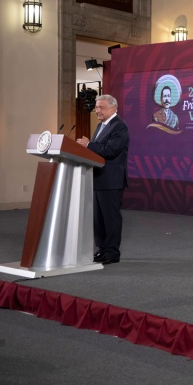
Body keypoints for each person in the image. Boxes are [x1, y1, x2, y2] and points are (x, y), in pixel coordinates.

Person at [77, 94, 130, 265]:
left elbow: (110, 151)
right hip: (98, 179)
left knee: (111, 219)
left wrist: (89, 145)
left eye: (101, 107)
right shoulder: (101, 126)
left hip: (111, 181)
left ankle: (112, 253)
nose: (96, 110)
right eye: (96, 107)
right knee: (99, 220)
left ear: (113, 108)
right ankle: (102, 249)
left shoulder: (120, 127)